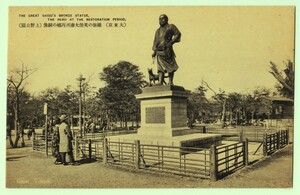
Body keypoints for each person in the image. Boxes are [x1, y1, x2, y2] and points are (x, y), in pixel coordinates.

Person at [152, 14, 181, 85]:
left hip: (167, 50)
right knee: (160, 67)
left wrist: (171, 42)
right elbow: (155, 41)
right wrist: (154, 51)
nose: (161, 20)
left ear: (166, 19)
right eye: (159, 19)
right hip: (159, 51)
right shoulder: (157, 31)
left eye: (162, 19)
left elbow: (178, 34)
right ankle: (160, 81)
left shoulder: (170, 26)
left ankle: (170, 82)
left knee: (170, 66)